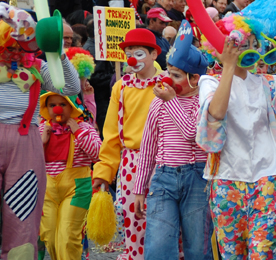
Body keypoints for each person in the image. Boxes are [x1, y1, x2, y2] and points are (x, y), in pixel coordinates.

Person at [196, 13, 276, 259]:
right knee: (233, 255)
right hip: (225, 180)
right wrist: (229, 67)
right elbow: (215, 115)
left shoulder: (268, 83)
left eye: (253, 44)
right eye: (242, 45)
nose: (250, 50)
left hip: (267, 178)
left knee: (263, 253)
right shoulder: (209, 83)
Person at [0, 4, 82, 257]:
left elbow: (70, 87)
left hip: (25, 144)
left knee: (22, 210)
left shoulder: (36, 65)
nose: (13, 48)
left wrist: (58, 53)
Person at [132, 20, 212, 259]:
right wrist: (139, 188)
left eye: (176, 75)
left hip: (198, 179)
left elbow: (192, 134)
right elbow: (148, 148)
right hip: (164, 178)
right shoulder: (159, 102)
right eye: (167, 72)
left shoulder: (204, 101)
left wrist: (171, 101)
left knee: (198, 248)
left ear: (195, 79)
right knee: (158, 246)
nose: (168, 79)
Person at [91, 28, 168, 260]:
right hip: (131, 164)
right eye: (129, 52)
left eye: (139, 52)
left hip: (164, 161)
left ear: (154, 54)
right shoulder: (121, 87)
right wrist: (104, 173)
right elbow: (112, 134)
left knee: (167, 224)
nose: (132, 58)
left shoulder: (167, 83)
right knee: (134, 223)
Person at [38, 91, 101, 260]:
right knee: (49, 236)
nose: (57, 109)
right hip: (47, 191)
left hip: (77, 190)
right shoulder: (42, 128)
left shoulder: (84, 127)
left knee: (67, 238)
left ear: (72, 107)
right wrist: (41, 141)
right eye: (52, 105)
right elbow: (28, 160)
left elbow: (98, 154)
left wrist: (79, 133)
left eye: (63, 104)